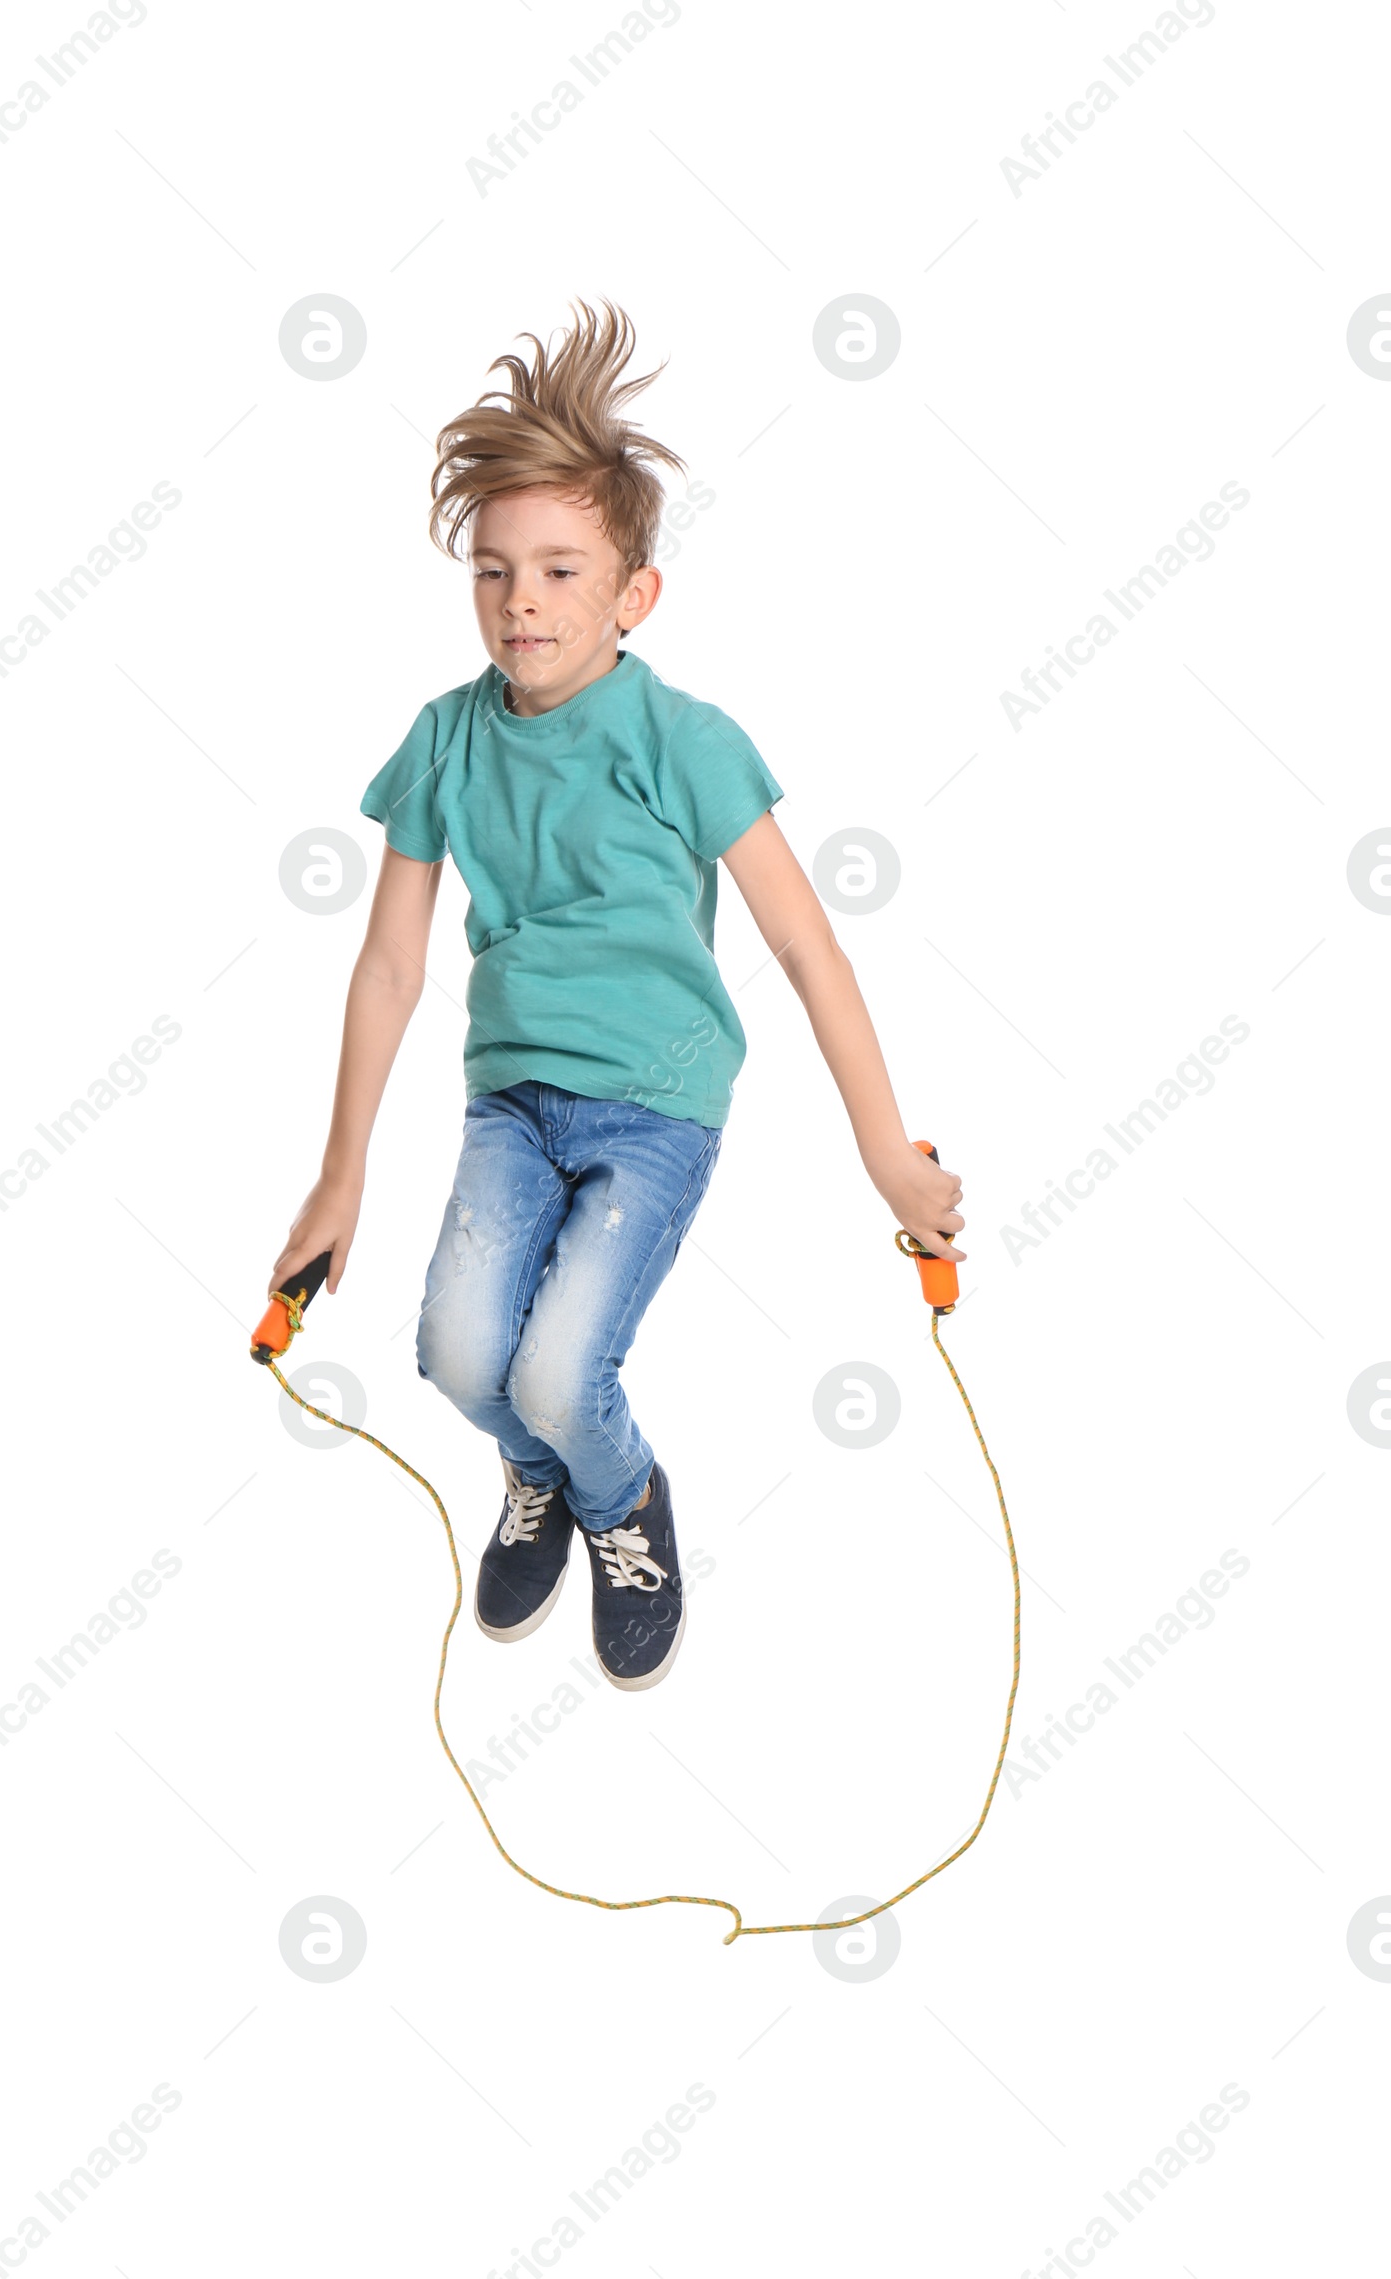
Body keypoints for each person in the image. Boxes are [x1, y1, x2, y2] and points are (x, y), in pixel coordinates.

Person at [270, 298, 965, 1693]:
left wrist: (888, 1154)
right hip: (511, 1103)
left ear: (631, 593)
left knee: (555, 1369)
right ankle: (545, 1475)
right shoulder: (443, 742)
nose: (522, 600)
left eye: (561, 570)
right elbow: (393, 965)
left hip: (656, 1105)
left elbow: (811, 950)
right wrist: (338, 1176)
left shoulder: (684, 742)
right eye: (495, 570)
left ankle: (621, 1502)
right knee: (463, 1361)